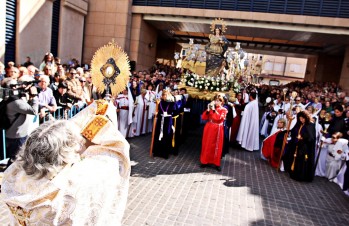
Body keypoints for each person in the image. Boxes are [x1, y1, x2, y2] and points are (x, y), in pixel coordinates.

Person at [2, 100, 131, 225]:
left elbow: (51, 134)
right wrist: (102, 119)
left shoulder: (12, 176)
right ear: (64, 155)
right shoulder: (69, 187)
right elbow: (114, 156)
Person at [5, 81, 39, 168]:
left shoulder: (10, 100)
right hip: (17, 135)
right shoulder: (16, 102)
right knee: (16, 159)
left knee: (15, 157)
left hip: (13, 133)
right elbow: (34, 111)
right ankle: (9, 177)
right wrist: (34, 96)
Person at [284, 111, 316, 182]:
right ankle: (293, 173)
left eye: (302, 118)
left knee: (302, 161)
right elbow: (293, 131)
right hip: (296, 145)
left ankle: (301, 176)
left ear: (306, 118)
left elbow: (311, 138)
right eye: (300, 118)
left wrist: (302, 137)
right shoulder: (299, 123)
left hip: (304, 147)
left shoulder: (310, 125)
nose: (301, 120)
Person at [200, 94, 228, 171]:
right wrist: (208, 110)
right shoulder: (211, 108)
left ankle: (216, 163)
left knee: (217, 145)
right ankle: (204, 161)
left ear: (222, 102)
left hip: (218, 129)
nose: (217, 102)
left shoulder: (224, 109)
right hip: (209, 127)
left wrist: (213, 110)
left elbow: (219, 118)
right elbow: (203, 117)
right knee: (207, 144)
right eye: (216, 100)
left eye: (218, 101)